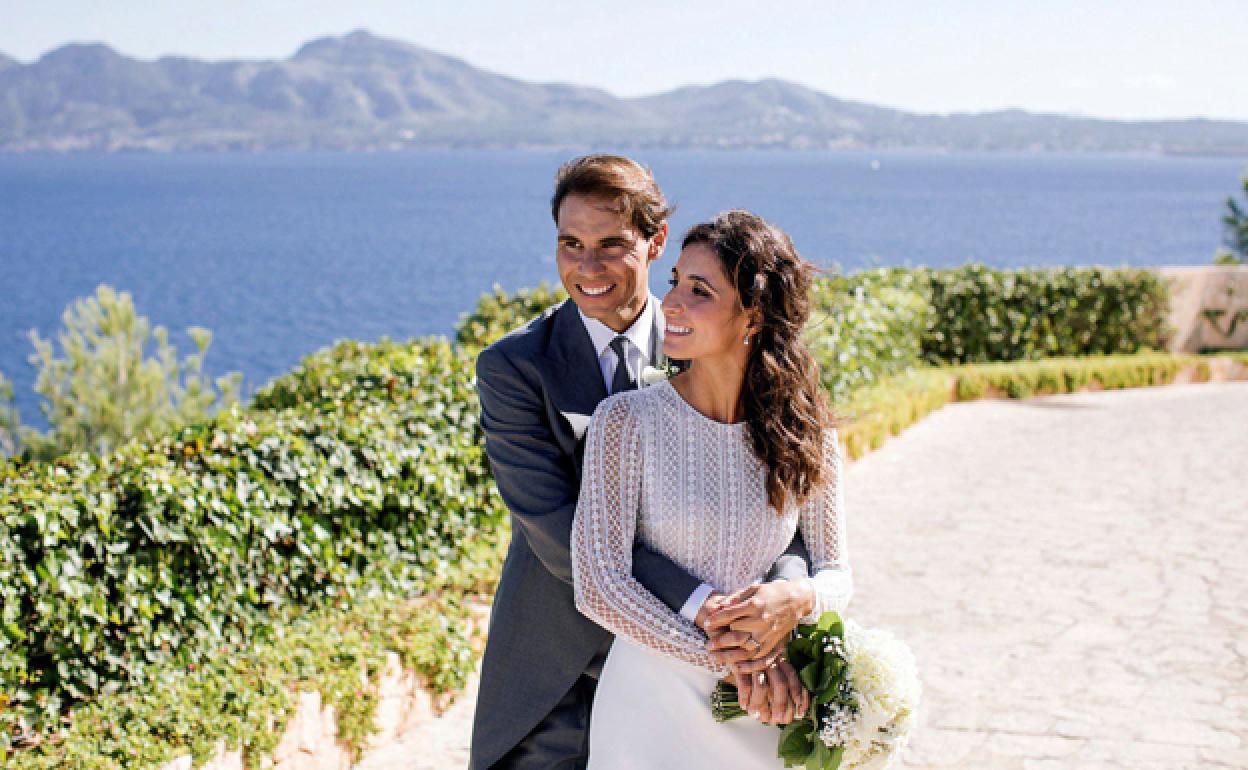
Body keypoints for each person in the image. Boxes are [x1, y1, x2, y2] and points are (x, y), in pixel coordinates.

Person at [469, 157, 816, 770]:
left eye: (611, 245)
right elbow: (561, 537)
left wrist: (785, 592)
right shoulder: (515, 368)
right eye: (570, 244)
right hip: (562, 671)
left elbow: (778, 496)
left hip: (698, 674)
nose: (586, 267)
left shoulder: (708, 337)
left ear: (656, 243)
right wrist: (712, 617)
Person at [571, 209, 853, 768]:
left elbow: (837, 573)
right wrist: (737, 661)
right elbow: (598, 582)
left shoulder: (808, 433)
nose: (670, 303)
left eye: (698, 290)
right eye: (674, 280)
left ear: (752, 316)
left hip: (760, 710)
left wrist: (801, 599)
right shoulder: (625, 421)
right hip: (653, 705)